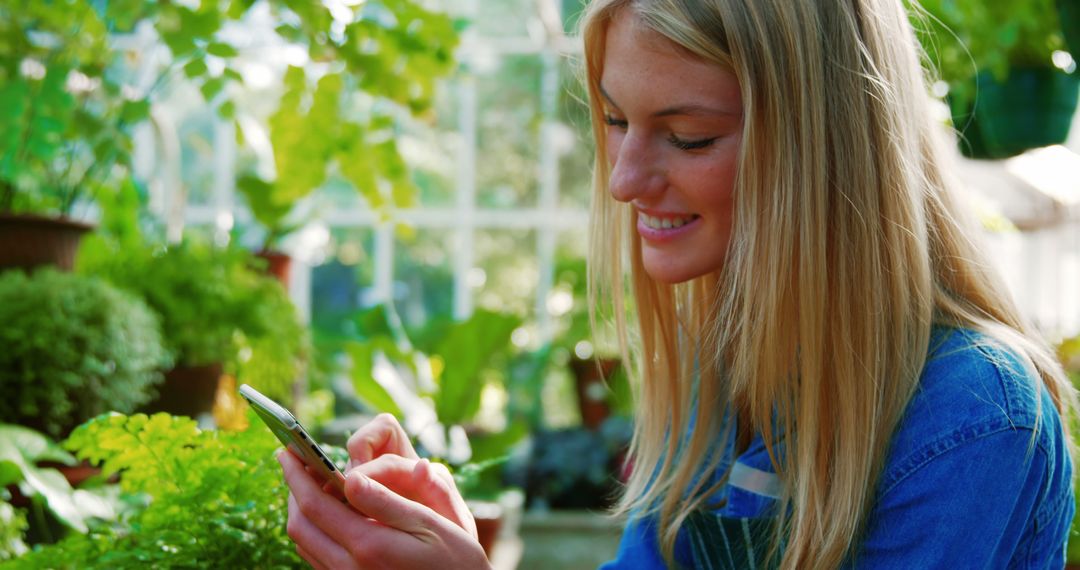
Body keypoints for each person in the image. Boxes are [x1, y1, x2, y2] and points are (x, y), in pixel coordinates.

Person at [278, 0, 1079, 568]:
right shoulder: (729, 369)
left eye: (688, 137)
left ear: (824, 152)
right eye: (616, 119)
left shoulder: (975, 418)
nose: (624, 180)